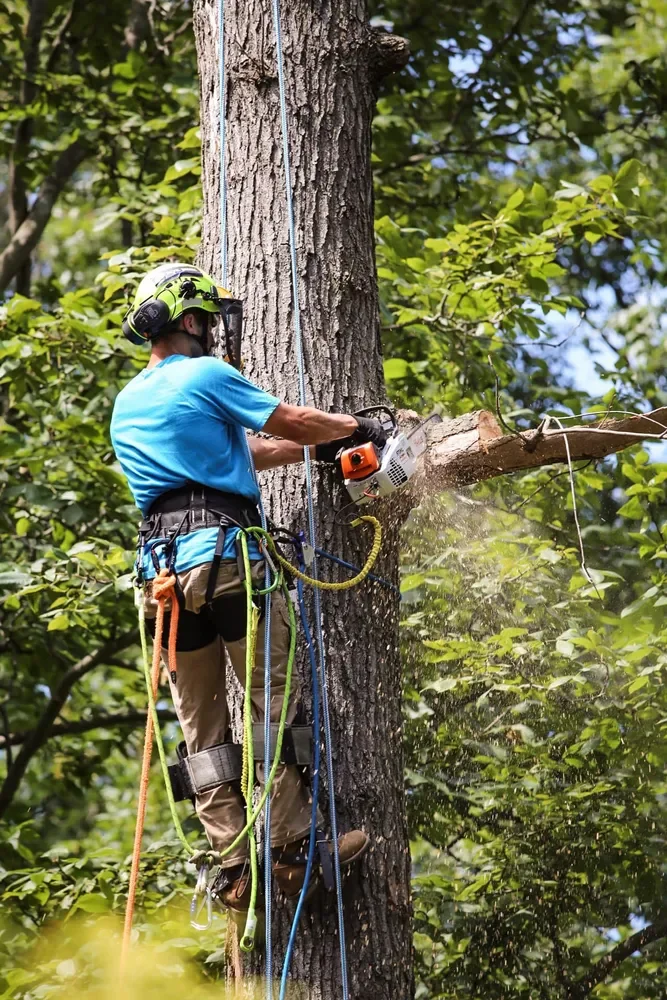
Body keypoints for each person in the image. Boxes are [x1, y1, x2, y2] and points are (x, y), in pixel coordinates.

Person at [110, 263, 387, 914]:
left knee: (202, 732)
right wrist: (352, 430)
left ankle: (232, 867)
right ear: (188, 320)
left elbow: (243, 451)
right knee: (270, 701)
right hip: (229, 562)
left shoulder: (130, 402)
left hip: (165, 582)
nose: (210, 330)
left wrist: (311, 451)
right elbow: (286, 418)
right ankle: (292, 853)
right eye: (205, 318)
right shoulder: (206, 374)